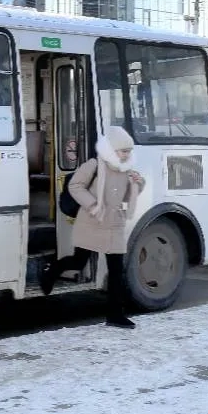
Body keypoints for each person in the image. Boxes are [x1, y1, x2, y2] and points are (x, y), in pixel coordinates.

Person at [39, 125, 145, 329]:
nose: (127, 155)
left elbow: (124, 197)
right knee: (79, 262)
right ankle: (52, 271)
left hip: (114, 223)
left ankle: (115, 315)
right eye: (124, 151)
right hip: (92, 221)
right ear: (112, 150)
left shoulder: (127, 170)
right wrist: (93, 204)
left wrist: (137, 185)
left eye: (129, 151)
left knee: (116, 271)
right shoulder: (94, 165)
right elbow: (75, 186)